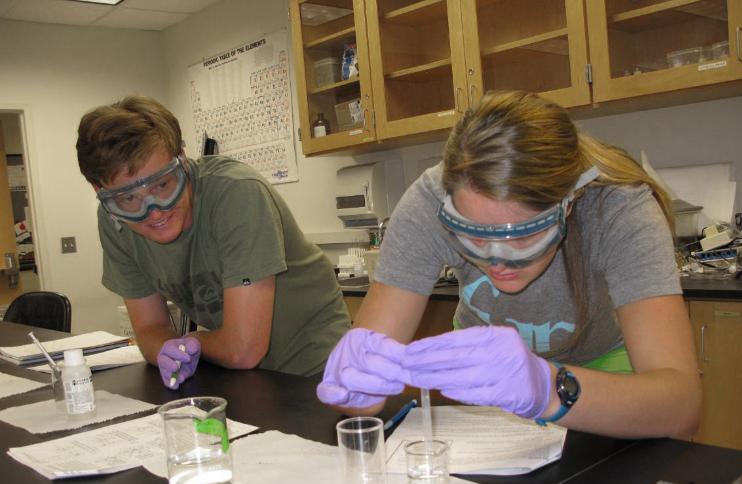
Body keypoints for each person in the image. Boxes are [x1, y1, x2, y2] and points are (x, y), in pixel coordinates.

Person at [317, 90, 701, 439]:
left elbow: (680, 407)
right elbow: (364, 389)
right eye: (475, 236)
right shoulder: (426, 204)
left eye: (523, 237)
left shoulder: (619, 210)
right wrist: (356, 387)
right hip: (483, 374)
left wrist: (547, 388)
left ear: (568, 204)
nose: (498, 259)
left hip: (603, 373)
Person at [77, 95, 350, 388]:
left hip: (318, 368)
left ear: (182, 159)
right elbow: (149, 328)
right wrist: (167, 349)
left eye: (163, 185)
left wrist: (190, 341)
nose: (154, 211)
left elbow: (243, 349)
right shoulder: (115, 223)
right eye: (129, 198)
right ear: (99, 191)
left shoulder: (236, 194)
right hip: (242, 375)